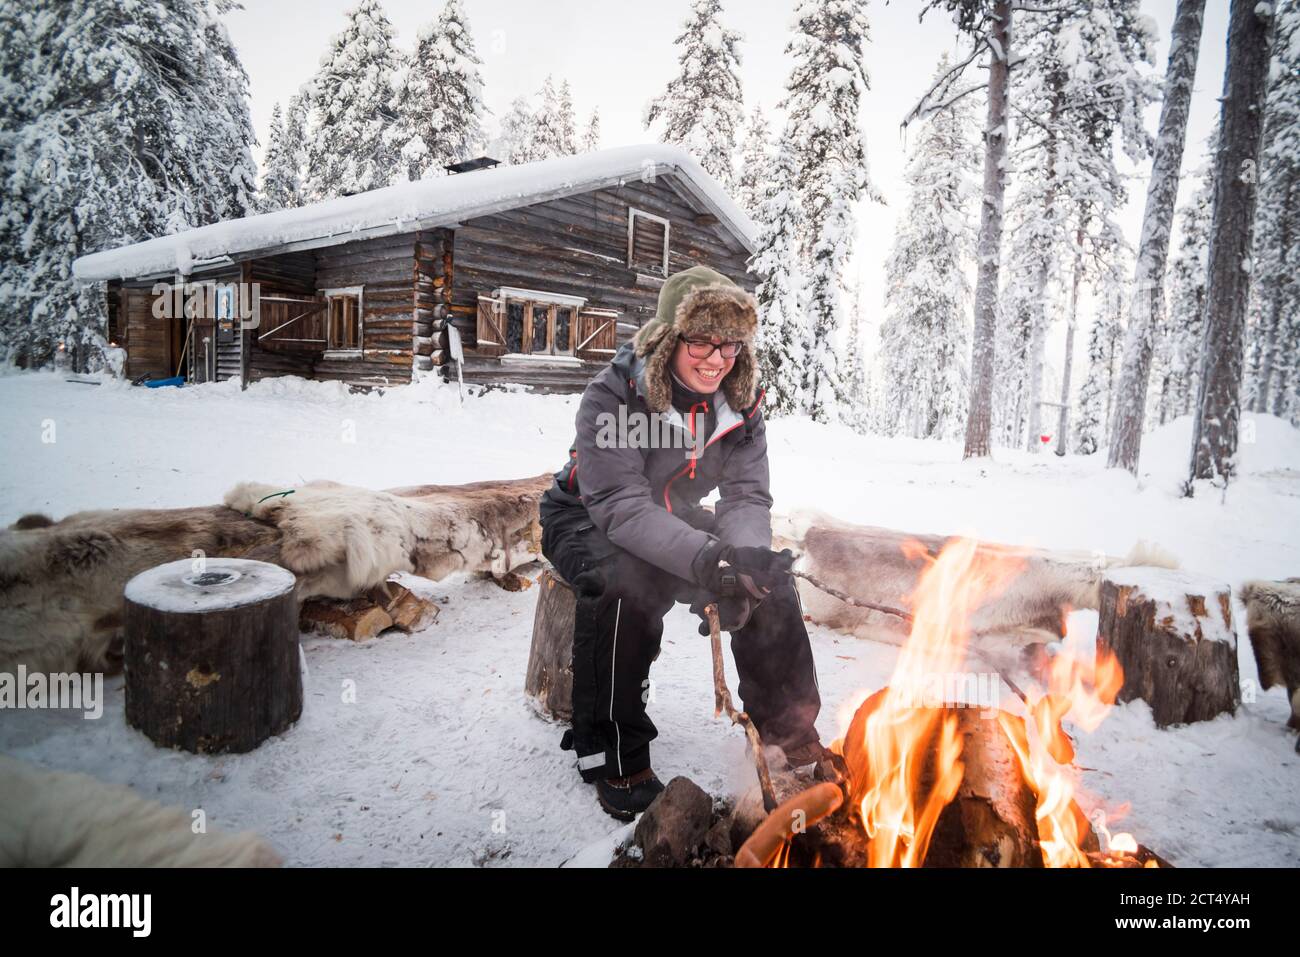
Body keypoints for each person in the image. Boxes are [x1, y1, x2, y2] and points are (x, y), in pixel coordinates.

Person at [539, 264, 832, 820]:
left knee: (766, 580)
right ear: (670, 339)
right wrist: (705, 558)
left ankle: (789, 731)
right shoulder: (614, 396)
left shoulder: (740, 405)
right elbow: (621, 507)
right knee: (623, 584)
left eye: (728, 344)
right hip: (585, 512)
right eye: (700, 340)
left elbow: (747, 496)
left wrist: (741, 558)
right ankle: (609, 752)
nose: (715, 357)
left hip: (672, 512)